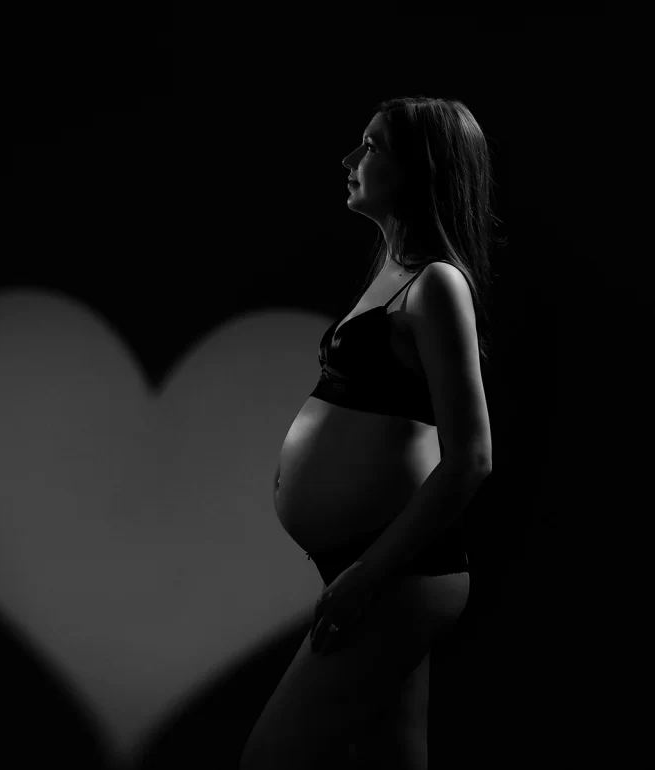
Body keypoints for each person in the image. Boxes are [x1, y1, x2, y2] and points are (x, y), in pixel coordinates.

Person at [240, 96, 501, 769]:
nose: (349, 160)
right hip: (374, 569)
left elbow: (471, 456)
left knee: (270, 758)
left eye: (372, 146)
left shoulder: (436, 283)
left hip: (397, 572)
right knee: (393, 758)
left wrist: (370, 576)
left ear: (421, 166)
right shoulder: (393, 271)